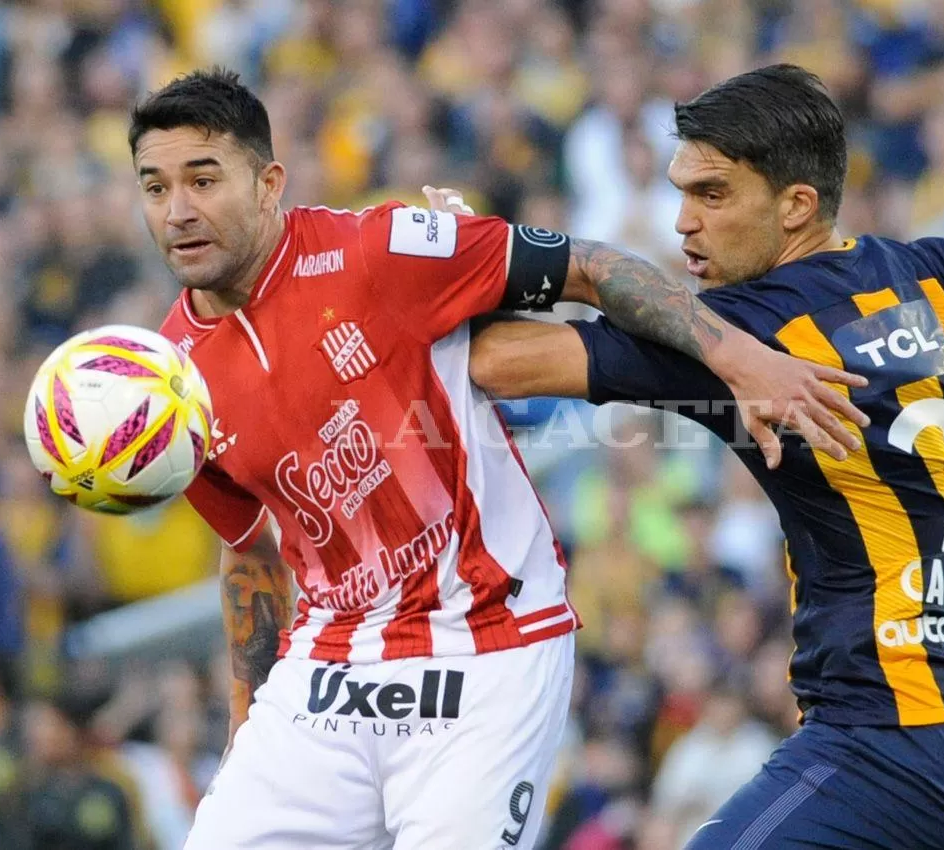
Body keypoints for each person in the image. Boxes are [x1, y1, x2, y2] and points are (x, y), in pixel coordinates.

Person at [468, 63, 944, 849]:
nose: (682, 224)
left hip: (888, 741)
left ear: (797, 204)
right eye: (680, 193)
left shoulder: (737, 332)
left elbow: (497, 362)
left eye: (711, 194)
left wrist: (462, 264)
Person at [129, 68, 863, 849]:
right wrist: (248, 727)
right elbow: (247, 554)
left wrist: (741, 363)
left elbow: (593, 266)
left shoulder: (380, 249)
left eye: (203, 180)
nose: (178, 211)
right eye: (155, 187)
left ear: (268, 182)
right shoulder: (170, 375)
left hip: (489, 641)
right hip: (329, 667)